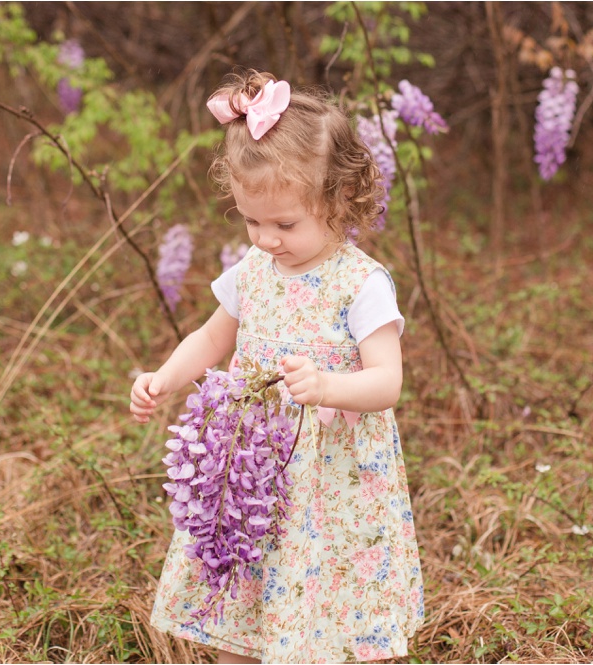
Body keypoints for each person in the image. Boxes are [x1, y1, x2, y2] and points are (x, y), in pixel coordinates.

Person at [129, 70, 424, 664]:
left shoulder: (360, 282)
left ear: (339, 199)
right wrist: (164, 377)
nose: (265, 239)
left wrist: (327, 386)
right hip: (251, 468)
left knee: (329, 600)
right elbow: (211, 337)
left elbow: (387, 381)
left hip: (332, 481)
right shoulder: (253, 271)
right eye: (251, 221)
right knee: (248, 586)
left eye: (285, 224)